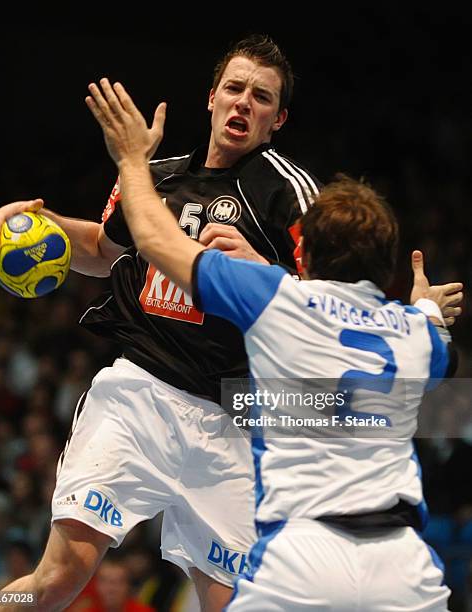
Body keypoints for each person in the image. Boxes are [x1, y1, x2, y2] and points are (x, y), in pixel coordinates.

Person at [81, 77, 464, 610]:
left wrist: (130, 159)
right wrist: (426, 310)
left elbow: (153, 239)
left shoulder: (277, 300)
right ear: (385, 267)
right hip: (404, 564)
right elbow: (444, 383)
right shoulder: (416, 332)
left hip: (302, 556)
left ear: (308, 255)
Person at [0, 35, 323, 611]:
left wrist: (265, 273)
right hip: (139, 396)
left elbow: (328, 308)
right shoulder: (155, 177)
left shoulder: (291, 195)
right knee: (58, 580)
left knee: (237, 605)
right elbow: (102, 247)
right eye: (234, 89)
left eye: (261, 98)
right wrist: (35, 222)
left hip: (232, 420)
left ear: (277, 119)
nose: (244, 103)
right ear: (211, 97)